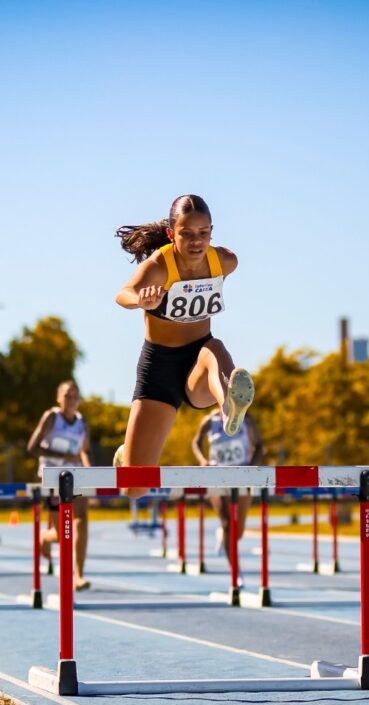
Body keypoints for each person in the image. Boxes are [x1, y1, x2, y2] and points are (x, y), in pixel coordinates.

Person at [112, 195, 255, 498]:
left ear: (212, 232)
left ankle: (229, 407)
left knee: (215, 348)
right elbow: (122, 294)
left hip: (199, 362)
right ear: (171, 233)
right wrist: (141, 300)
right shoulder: (159, 266)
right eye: (186, 233)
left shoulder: (224, 261)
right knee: (134, 488)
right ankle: (127, 453)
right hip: (159, 370)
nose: (196, 242)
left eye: (203, 233)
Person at [27, 379, 91, 590]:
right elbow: (33, 447)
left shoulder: (82, 423)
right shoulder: (52, 417)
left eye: (75, 396)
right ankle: (46, 536)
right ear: (58, 398)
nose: (71, 400)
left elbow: (83, 451)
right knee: (63, 532)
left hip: (75, 476)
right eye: (67, 396)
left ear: (79, 399)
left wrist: (90, 473)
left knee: (81, 520)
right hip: (52, 477)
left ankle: (78, 575)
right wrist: (63, 455)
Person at [191, 409, 263, 562]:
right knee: (226, 522)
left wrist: (251, 468)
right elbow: (196, 442)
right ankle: (235, 571)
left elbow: (259, 446)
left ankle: (223, 535)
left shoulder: (246, 419)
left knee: (238, 531)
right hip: (217, 475)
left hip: (241, 476)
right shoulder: (210, 420)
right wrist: (202, 460)